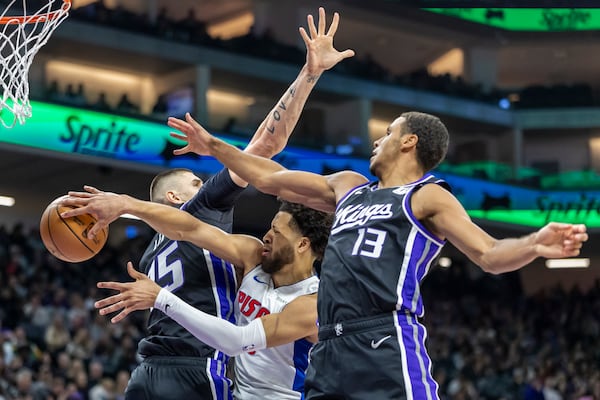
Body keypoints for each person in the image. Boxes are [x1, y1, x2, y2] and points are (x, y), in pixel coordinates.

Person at [162, 111, 589, 400]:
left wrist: (533, 243)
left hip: (384, 339)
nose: (376, 138)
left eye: (387, 133)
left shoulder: (426, 197)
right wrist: (213, 146)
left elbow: (490, 254)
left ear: (409, 142)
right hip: (328, 347)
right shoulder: (348, 186)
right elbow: (272, 179)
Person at [65, 7, 353, 400]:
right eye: (197, 182)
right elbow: (264, 149)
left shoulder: (153, 249)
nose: (206, 185)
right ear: (175, 197)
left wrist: (126, 207)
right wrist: (309, 74)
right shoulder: (200, 209)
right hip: (198, 371)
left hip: (146, 370)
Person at [61, 194, 332, 400]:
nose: (267, 236)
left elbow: (237, 342)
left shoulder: (312, 304)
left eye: (277, 231)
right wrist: (126, 205)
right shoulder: (254, 255)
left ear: (302, 244)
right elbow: (190, 229)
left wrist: (161, 298)